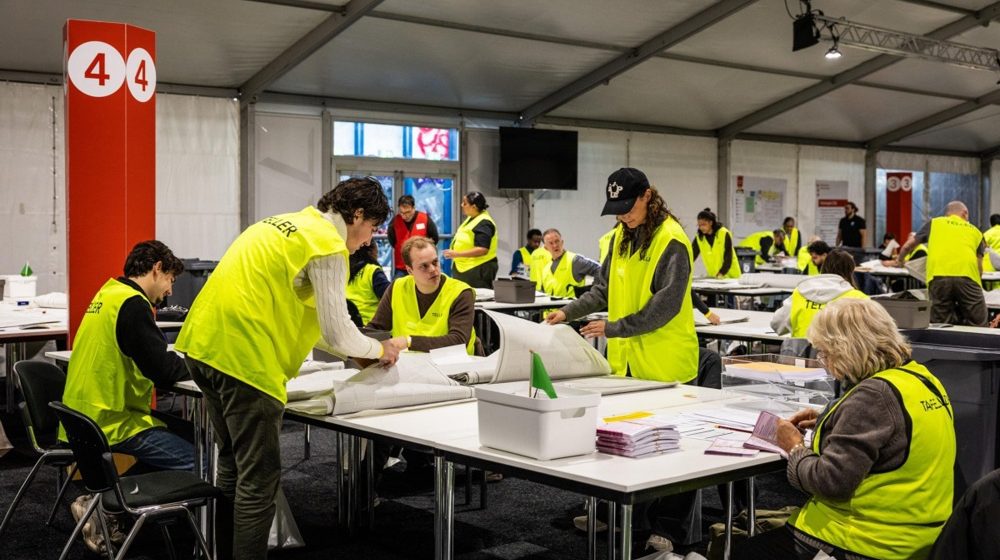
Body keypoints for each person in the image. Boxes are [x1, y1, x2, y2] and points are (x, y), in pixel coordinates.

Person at [175, 177, 399, 560]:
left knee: (231, 466)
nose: (367, 241)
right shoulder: (326, 244)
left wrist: (356, 351)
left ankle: (219, 551)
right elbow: (338, 329)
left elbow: (315, 324)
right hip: (246, 364)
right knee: (258, 481)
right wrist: (380, 347)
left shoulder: (280, 224)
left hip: (201, 348)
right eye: (371, 229)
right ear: (357, 214)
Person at [547, 168, 700, 551]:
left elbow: (665, 306)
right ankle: (622, 516)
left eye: (628, 207)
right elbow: (603, 289)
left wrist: (614, 328)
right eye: (616, 209)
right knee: (626, 444)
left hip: (667, 364)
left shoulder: (673, 241)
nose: (622, 215)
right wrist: (568, 312)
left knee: (673, 453)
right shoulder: (618, 238)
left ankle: (669, 528)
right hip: (627, 365)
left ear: (648, 196)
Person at [736, 298, 955, 560]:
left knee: (746, 552)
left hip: (863, 541)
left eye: (825, 352)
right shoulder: (922, 379)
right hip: (920, 535)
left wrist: (793, 446)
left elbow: (829, 482)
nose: (823, 362)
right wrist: (833, 420)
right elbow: (897, 438)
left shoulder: (873, 397)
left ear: (847, 349)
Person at [61, 240, 193, 552]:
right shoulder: (133, 305)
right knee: (205, 459)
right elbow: (163, 370)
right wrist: (203, 365)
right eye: (171, 280)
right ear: (157, 269)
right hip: (113, 420)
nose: (170, 292)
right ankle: (109, 509)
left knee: (187, 433)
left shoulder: (107, 294)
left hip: (84, 416)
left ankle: (102, 503)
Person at [369, 236, 481, 355]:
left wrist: (409, 341)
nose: (433, 269)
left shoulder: (461, 292)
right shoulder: (397, 287)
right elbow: (376, 328)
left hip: (454, 366)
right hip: (410, 365)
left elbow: (459, 340)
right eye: (424, 266)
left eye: (435, 262)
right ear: (410, 270)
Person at [895, 201, 986, 326]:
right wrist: (977, 283)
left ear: (947, 213)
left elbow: (907, 246)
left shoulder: (935, 223)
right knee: (978, 322)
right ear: (965, 213)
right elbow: (979, 265)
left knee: (940, 323)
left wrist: (900, 261)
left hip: (938, 278)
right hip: (968, 278)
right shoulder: (976, 232)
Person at [771, 249, 867, 337]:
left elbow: (776, 325)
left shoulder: (800, 292)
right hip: (839, 355)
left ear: (823, 267)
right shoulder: (858, 298)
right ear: (850, 272)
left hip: (801, 354)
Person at [443, 191, 498, 289]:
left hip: (478, 269)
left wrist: (457, 254)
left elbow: (482, 249)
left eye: (465, 203)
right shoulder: (472, 218)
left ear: (474, 207)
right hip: (464, 267)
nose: (461, 205)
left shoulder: (484, 223)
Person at [536, 228, 601, 298]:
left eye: (557, 241)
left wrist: (594, 292)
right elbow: (544, 293)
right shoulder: (546, 269)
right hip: (550, 308)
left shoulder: (575, 260)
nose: (555, 245)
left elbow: (600, 269)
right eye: (551, 243)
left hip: (571, 307)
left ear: (562, 242)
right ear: (546, 248)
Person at [387, 194, 438, 279]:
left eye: (408, 212)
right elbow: (392, 241)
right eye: (402, 213)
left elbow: (434, 238)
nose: (405, 216)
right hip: (401, 267)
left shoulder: (425, 219)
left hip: (422, 265)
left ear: (414, 208)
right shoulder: (395, 222)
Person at [345, 242, 390, 325]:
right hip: (371, 329)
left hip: (347, 325)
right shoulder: (372, 271)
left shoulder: (344, 270)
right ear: (372, 250)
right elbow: (391, 298)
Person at [692, 208, 740, 279]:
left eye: (704, 224)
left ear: (711, 223)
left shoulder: (724, 233)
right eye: (699, 225)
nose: (701, 227)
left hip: (731, 277)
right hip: (714, 277)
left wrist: (721, 272)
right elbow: (691, 256)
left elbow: (728, 257)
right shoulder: (699, 238)